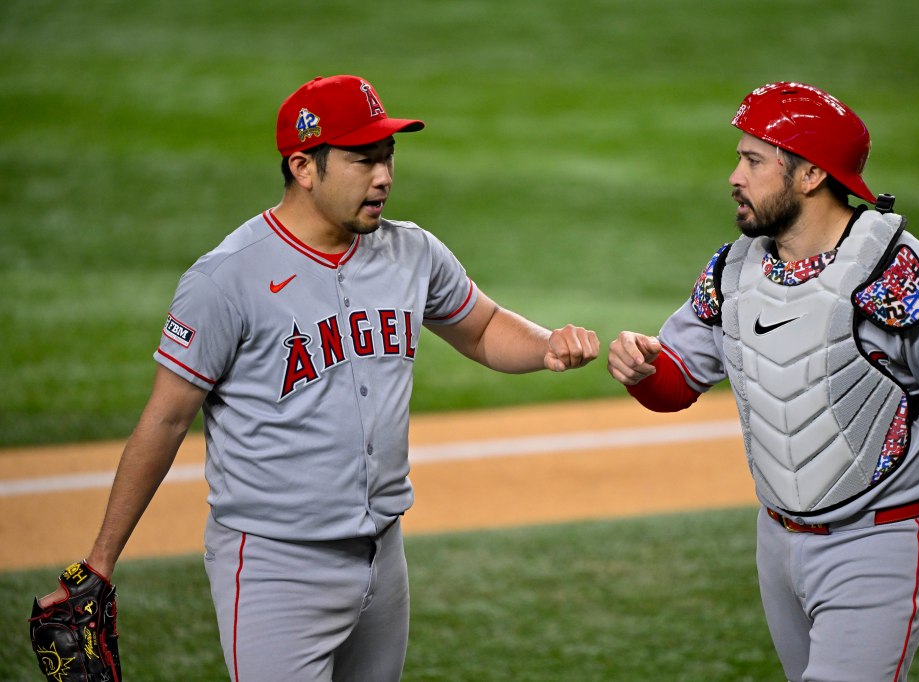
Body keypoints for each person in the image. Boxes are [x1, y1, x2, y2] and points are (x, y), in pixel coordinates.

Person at [36, 74, 600, 681]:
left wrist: (547, 346)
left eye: (388, 156)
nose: (384, 175)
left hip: (384, 558)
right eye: (363, 159)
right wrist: (100, 562)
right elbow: (167, 419)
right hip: (276, 569)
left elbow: (483, 328)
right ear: (305, 167)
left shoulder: (412, 253)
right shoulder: (227, 278)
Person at [606, 81, 919, 681]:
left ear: (809, 175)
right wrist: (643, 370)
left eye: (753, 160)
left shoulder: (898, 272)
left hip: (880, 543)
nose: (734, 176)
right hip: (776, 541)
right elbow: (678, 384)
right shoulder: (733, 272)